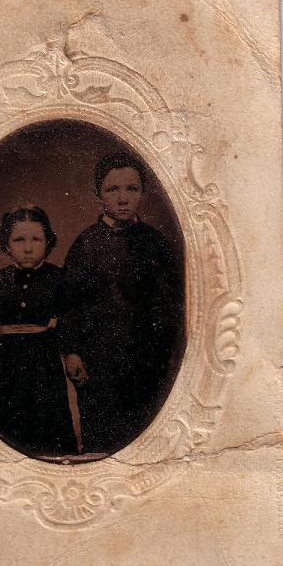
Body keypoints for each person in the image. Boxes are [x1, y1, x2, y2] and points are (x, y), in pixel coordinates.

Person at [59, 152, 184, 454]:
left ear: (143, 193)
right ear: (98, 195)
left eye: (131, 189)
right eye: (112, 190)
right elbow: (68, 304)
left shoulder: (156, 244)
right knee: (101, 440)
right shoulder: (86, 244)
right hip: (96, 363)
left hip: (147, 362)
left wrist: (164, 355)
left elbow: (171, 306)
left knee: (144, 442)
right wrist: (71, 352)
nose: (123, 198)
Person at [0, 206, 77, 459]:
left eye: (36, 239)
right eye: (19, 240)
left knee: (43, 418)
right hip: (5, 361)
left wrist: (70, 353)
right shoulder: (1, 280)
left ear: (48, 242)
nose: (28, 248)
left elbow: (70, 317)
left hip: (42, 360)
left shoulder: (57, 279)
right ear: (7, 244)